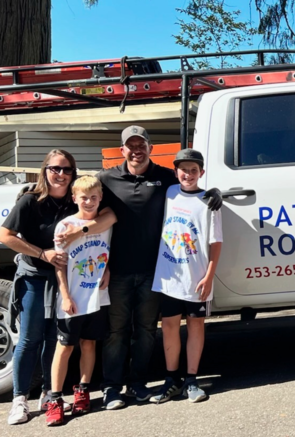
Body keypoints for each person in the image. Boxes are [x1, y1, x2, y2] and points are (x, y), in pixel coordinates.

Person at [52, 126, 222, 409]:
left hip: (155, 272)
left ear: (150, 148)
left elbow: (191, 188)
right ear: (122, 150)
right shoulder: (105, 179)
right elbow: (84, 200)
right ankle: (112, 388)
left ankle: (138, 383)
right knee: (116, 331)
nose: (136, 150)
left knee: (145, 330)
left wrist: (215, 192)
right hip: (115, 270)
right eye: (130, 145)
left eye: (141, 144)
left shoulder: (166, 178)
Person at [1, 150, 114, 425]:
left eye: (66, 170)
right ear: (45, 170)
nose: (61, 175)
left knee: (56, 338)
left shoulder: (75, 200)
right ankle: (19, 399)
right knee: (30, 338)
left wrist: (86, 239)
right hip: (37, 275)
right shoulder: (30, 201)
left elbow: (108, 216)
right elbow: (6, 236)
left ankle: (47, 393)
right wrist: (42, 254)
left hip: (70, 278)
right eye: (55, 169)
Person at [149, 149, 222, 404]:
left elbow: (216, 243)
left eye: (194, 170)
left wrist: (210, 276)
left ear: (201, 172)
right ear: (175, 171)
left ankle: (192, 379)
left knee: (195, 325)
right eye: (183, 170)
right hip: (170, 277)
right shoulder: (169, 192)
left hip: (197, 277)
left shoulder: (209, 202)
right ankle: (172, 380)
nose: (188, 174)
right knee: (169, 326)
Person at [46, 176, 112, 426]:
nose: (89, 201)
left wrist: (107, 269)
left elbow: (107, 250)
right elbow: (59, 266)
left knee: (89, 344)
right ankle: (54, 398)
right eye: (84, 197)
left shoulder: (105, 223)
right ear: (74, 198)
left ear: (101, 198)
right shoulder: (65, 225)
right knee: (64, 348)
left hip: (97, 295)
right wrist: (64, 295)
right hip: (72, 297)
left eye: (94, 197)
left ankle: (83, 390)